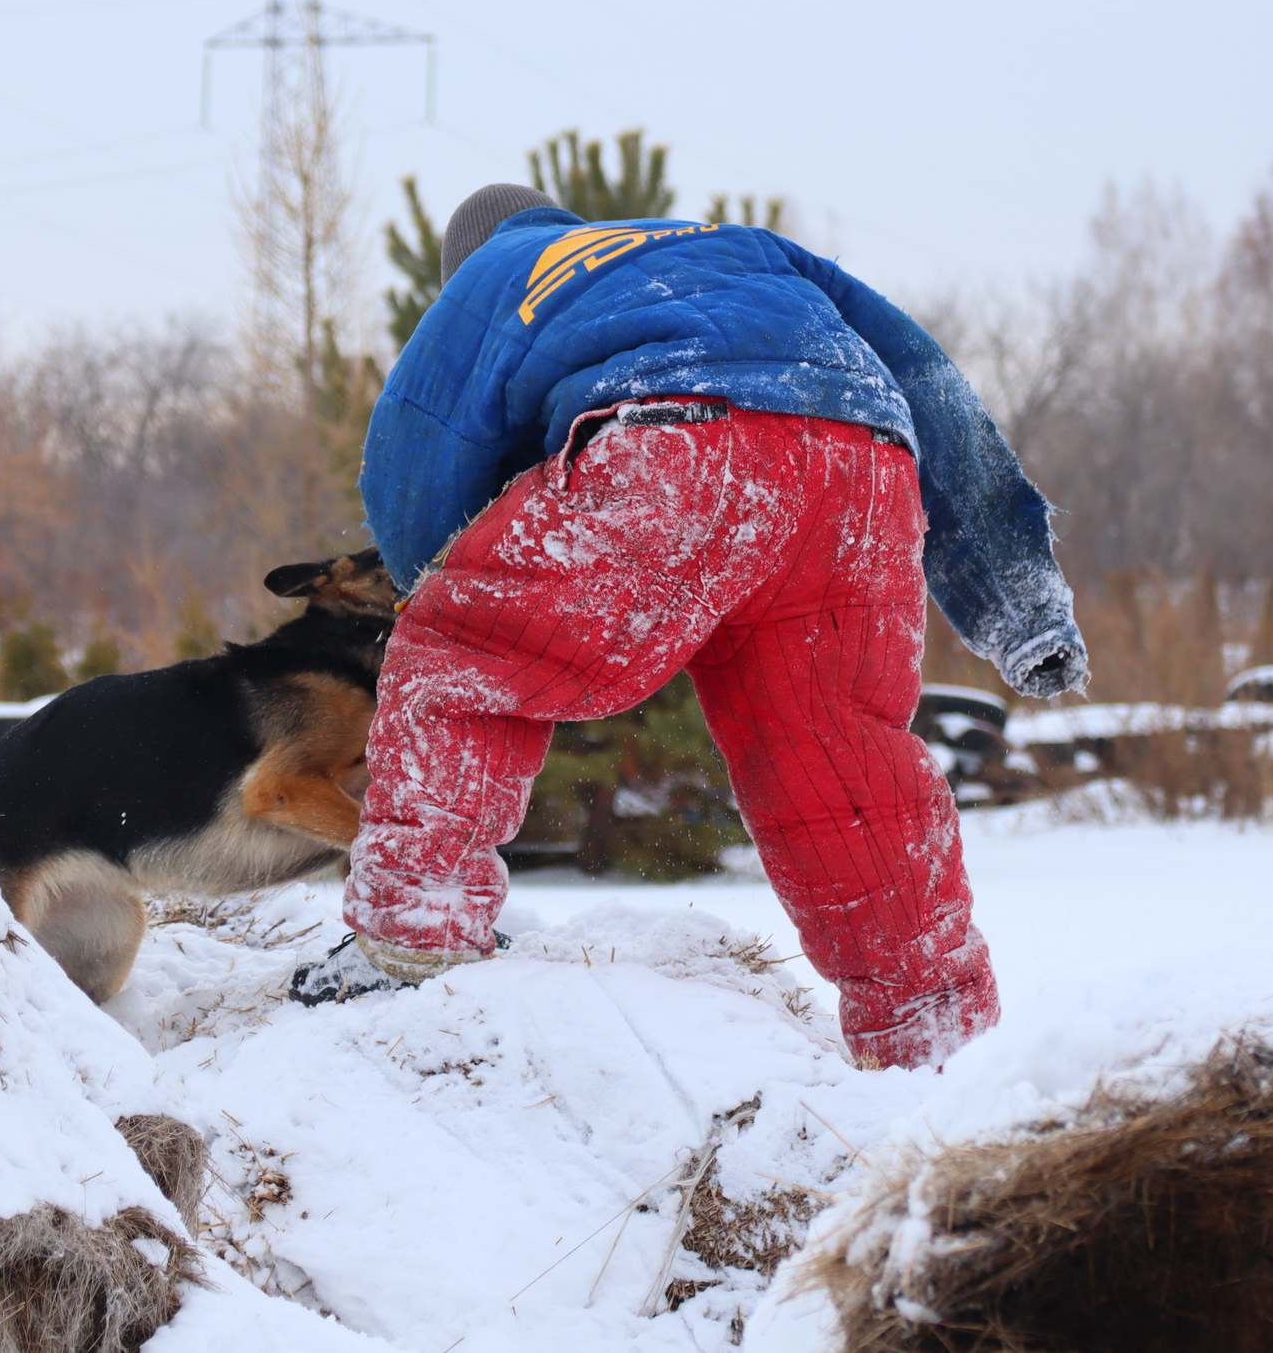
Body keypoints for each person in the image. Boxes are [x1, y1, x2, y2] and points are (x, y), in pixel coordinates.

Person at [289, 183, 1085, 1069]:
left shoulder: (490, 279)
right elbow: (928, 377)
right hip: (862, 466)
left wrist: (432, 590)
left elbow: (415, 460)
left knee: (461, 655)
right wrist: (1019, 602)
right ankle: (932, 1033)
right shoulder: (728, 243)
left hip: (682, 442)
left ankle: (412, 933)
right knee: (836, 757)